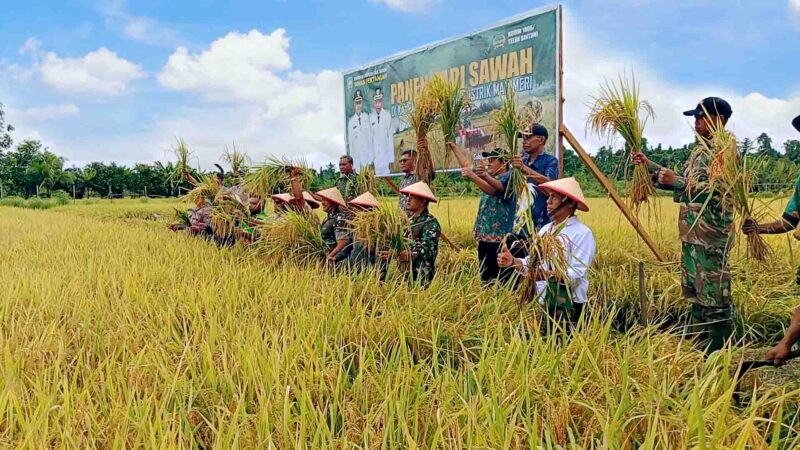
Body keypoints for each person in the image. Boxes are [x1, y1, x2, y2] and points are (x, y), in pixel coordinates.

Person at [632, 96, 735, 353]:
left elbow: (719, 191)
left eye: (701, 117)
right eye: (695, 118)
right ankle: (700, 355)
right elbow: (684, 184)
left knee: (715, 299)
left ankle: (721, 359)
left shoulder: (726, 150)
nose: (696, 122)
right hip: (692, 237)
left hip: (711, 238)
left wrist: (676, 181)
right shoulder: (699, 151)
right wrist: (650, 165)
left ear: (719, 119)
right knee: (696, 297)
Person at [498, 177, 595, 326]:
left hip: (567, 303)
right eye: (548, 197)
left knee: (564, 345)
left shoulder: (582, 233)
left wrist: (540, 275)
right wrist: (512, 261)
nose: (548, 202)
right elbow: (533, 262)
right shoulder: (545, 230)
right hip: (543, 299)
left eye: (554, 197)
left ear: (569, 203)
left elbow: (575, 275)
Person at [461, 149, 516, 285]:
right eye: (488, 161)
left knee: (499, 279)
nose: (488, 164)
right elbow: (466, 166)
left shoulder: (509, 177)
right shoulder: (490, 178)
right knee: (485, 278)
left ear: (505, 163)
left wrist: (476, 176)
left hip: (499, 239)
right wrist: (452, 145)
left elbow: (493, 190)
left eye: (492, 161)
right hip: (485, 237)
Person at [513, 123, 559, 235]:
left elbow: (550, 185)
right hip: (518, 224)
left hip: (540, 224)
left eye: (528, 137)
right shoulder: (521, 161)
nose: (524, 141)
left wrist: (524, 169)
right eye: (523, 138)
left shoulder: (550, 161)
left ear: (541, 140)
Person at [397, 181, 441, 288]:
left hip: (422, 275)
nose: (408, 200)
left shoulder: (430, 222)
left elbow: (429, 248)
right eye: (408, 196)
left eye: (412, 197)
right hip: (405, 274)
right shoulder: (409, 221)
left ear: (422, 201)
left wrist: (410, 254)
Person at [347, 191, 388, 280]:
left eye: (359, 209)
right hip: (354, 272)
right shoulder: (356, 229)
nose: (356, 212)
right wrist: (335, 258)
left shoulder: (380, 231)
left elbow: (382, 256)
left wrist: (378, 276)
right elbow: (347, 248)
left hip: (370, 274)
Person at [315, 187, 352, 266]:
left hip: (335, 260)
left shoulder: (340, 218)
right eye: (322, 200)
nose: (322, 203)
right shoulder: (329, 217)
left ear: (333, 202)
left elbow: (342, 243)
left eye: (325, 200)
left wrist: (330, 256)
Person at [370, 87, 394, 175]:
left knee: (387, 180)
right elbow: (371, 140)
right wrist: (370, 160)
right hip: (376, 158)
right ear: (374, 103)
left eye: (380, 101)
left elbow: (390, 139)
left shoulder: (387, 116)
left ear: (382, 102)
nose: (378, 104)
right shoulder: (371, 118)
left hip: (386, 157)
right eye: (376, 102)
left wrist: (391, 159)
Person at [347, 89, 373, 169]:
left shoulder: (367, 118)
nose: (358, 105)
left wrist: (371, 160)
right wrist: (352, 164)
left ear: (362, 103)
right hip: (356, 160)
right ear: (354, 104)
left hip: (367, 158)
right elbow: (351, 144)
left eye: (360, 103)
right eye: (356, 103)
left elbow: (370, 139)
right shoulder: (351, 122)